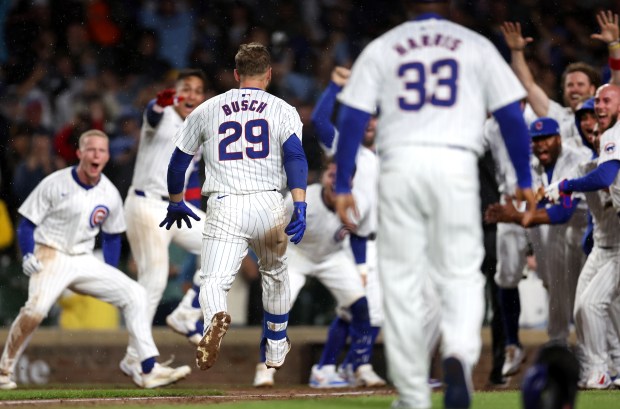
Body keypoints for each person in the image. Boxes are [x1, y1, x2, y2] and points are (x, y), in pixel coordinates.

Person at [332, 1, 536, 408]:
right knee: (461, 273)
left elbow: (354, 116)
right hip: (456, 162)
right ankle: (458, 353)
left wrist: (341, 182)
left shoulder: (383, 45)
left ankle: (412, 395)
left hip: (400, 164)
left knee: (402, 282)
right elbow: (511, 115)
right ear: (449, 7)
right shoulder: (474, 44)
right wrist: (525, 179)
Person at [0, 130, 191, 390]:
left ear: (106, 156)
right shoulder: (56, 182)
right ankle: (3, 371)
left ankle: (147, 368)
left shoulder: (109, 192)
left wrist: (110, 273)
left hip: (84, 258)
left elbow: (112, 237)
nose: (96, 155)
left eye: (101, 150)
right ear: (79, 153)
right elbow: (26, 224)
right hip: (51, 253)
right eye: (91, 149)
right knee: (35, 311)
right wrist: (29, 253)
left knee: (135, 293)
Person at [160, 42, 308, 372]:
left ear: (236, 74)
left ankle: (214, 319)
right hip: (269, 203)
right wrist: (300, 204)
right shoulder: (282, 109)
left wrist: (176, 201)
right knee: (276, 274)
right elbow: (296, 157)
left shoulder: (207, 109)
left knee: (213, 280)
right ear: (269, 74)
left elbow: (177, 163)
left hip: (225, 204)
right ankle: (275, 343)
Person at [121, 69, 208, 377]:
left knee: (226, 241)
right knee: (154, 282)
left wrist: (198, 216)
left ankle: (187, 312)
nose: (193, 95)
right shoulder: (162, 117)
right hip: (146, 205)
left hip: (176, 207)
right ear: (175, 92)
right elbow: (152, 114)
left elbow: (191, 179)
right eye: (187, 88)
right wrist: (160, 102)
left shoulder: (197, 129)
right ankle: (138, 360)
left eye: (198, 90)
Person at [486, 117, 589, 345]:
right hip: (553, 232)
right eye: (537, 140)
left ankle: (595, 352)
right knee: (554, 286)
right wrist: (511, 215)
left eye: (547, 138)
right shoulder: (530, 164)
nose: (541, 144)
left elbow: (563, 212)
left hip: (584, 228)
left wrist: (513, 216)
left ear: (559, 138)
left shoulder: (575, 160)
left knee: (586, 296)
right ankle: (559, 344)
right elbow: (535, 207)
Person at [545, 85, 620, 388]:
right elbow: (573, 205)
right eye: (593, 107)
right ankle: (600, 369)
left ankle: (602, 370)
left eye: (604, 102)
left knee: (594, 306)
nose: (596, 114)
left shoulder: (614, 137)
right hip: (604, 245)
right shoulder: (587, 161)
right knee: (583, 308)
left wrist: (565, 186)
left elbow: (602, 178)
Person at [500, 10, 620, 152]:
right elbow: (528, 86)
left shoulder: (604, 112)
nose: (574, 89)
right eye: (570, 85)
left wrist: (614, 44)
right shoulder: (559, 116)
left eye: (580, 84)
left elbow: (617, 78)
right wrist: (517, 52)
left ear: (593, 89)